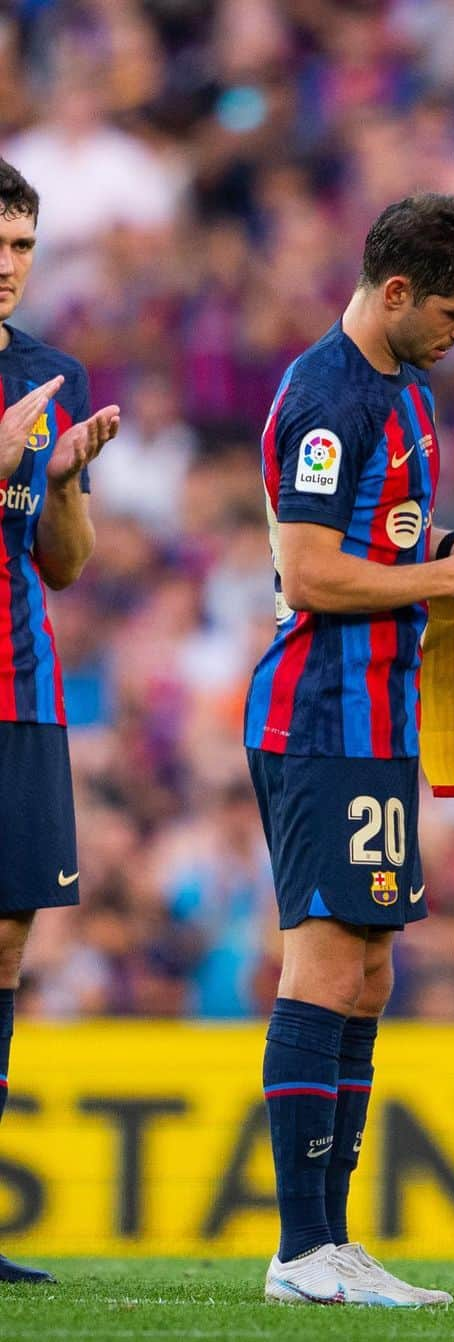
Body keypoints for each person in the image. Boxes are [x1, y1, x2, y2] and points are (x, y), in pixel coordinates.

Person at [245, 192, 454, 1309]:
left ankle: (332, 1240)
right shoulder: (327, 398)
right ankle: (299, 1250)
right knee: (325, 963)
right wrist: (452, 576)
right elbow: (309, 573)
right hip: (322, 714)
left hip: (380, 720)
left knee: (370, 973)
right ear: (394, 294)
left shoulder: (408, 397)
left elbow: (387, 544)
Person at [0, 158, 120, 1283]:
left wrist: (68, 474)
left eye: (23, 247)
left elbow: (66, 566)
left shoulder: (50, 376)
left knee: (5, 940)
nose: (6, 267)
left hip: (20, 691)